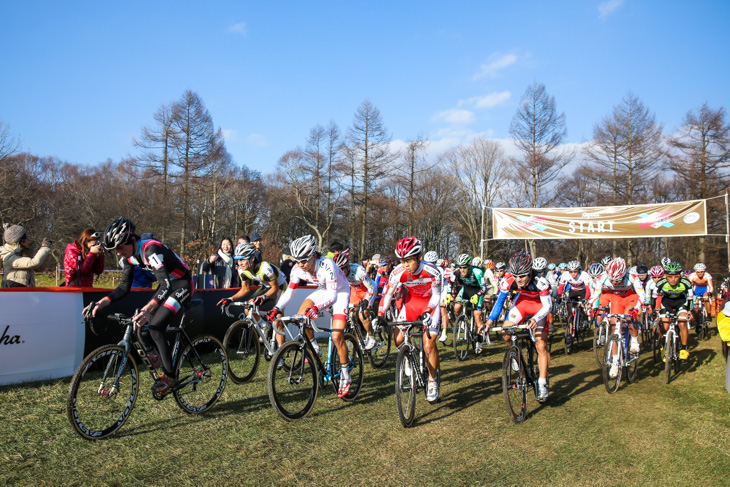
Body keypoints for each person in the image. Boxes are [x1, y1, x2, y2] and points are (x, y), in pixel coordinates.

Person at [84, 216, 193, 395]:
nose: (118, 253)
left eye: (120, 247)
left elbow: (165, 285)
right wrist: (102, 303)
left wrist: (147, 309)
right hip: (167, 285)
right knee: (142, 325)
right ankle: (156, 354)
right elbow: (123, 287)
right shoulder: (129, 256)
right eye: (114, 250)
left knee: (156, 327)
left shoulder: (150, 249)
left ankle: (170, 376)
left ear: (133, 240)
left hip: (182, 284)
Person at [266, 235, 353, 398]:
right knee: (301, 316)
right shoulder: (297, 269)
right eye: (297, 261)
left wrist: (316, 307)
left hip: (339, 292)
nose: (300, 265)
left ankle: (345, 375)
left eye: (304, 260)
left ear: (314, 255)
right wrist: (276, 308)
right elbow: (289, 292)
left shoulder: (327, 265)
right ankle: (315, 346)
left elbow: (333, 297)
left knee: (336, 335)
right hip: (323, 290)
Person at [375, 237, 442, 402]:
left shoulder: (433, 271)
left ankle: (432, 380)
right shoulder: (398, 272)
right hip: (412, 304)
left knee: (428, 345)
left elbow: (437, 296)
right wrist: (380, 315)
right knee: (398, 338)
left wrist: (428, 311)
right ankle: (406, 357)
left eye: (408, 260)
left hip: (430, 305)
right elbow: (388, 294)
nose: (405, 264)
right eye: (402, 260)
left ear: (418, 257)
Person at [485, 251, 552, 402]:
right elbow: (500, 302)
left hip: (539, 308)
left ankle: (542, 383)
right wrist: (489, 321)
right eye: (515, 276)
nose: (518, 279)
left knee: (541, 346)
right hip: (522, 304)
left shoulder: (541, 281)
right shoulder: (508, 280)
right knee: (505, 332)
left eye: (522, 276)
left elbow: (548, 306)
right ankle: (515, 355)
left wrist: (536, 318)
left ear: (530, 271)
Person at [591, 257, 645, 379]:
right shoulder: (603, 277)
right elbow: (596, 295)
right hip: (617, 299)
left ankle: (635, 341)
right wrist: (594, 307)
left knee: (630, 316)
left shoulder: (633, 277)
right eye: (612, 280)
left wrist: (636, 308)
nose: (614, 283)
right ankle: (615, 362)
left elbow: (642, 295)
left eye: (618, 280)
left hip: (631, 297)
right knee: (614, 327)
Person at [217, 242, 286, 316]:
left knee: (277, 321)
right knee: (248, 308)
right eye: (238, 260)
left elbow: (275, 288)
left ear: (252, 258)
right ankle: (262, 326)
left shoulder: (265, 269)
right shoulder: (242, 270)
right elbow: (245, 289)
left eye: (243, 259)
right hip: (266, 286)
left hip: (280, 286)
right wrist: (230, 299)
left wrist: (263, 297)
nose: (240, 263)